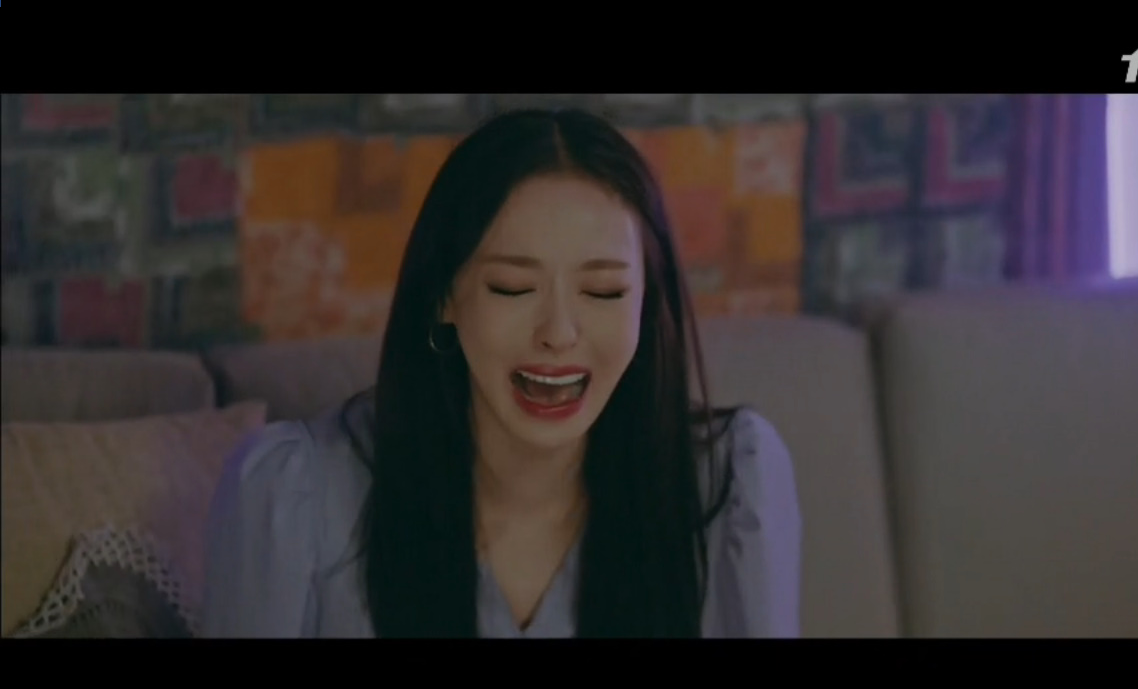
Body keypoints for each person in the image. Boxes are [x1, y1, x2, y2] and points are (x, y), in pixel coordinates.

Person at [201, 108, 802, 638]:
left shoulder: (728, 489)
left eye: (603, 291)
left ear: (648, 304)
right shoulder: (294, 498)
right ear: (444, 296)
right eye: (513, 287)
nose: (559, 332)